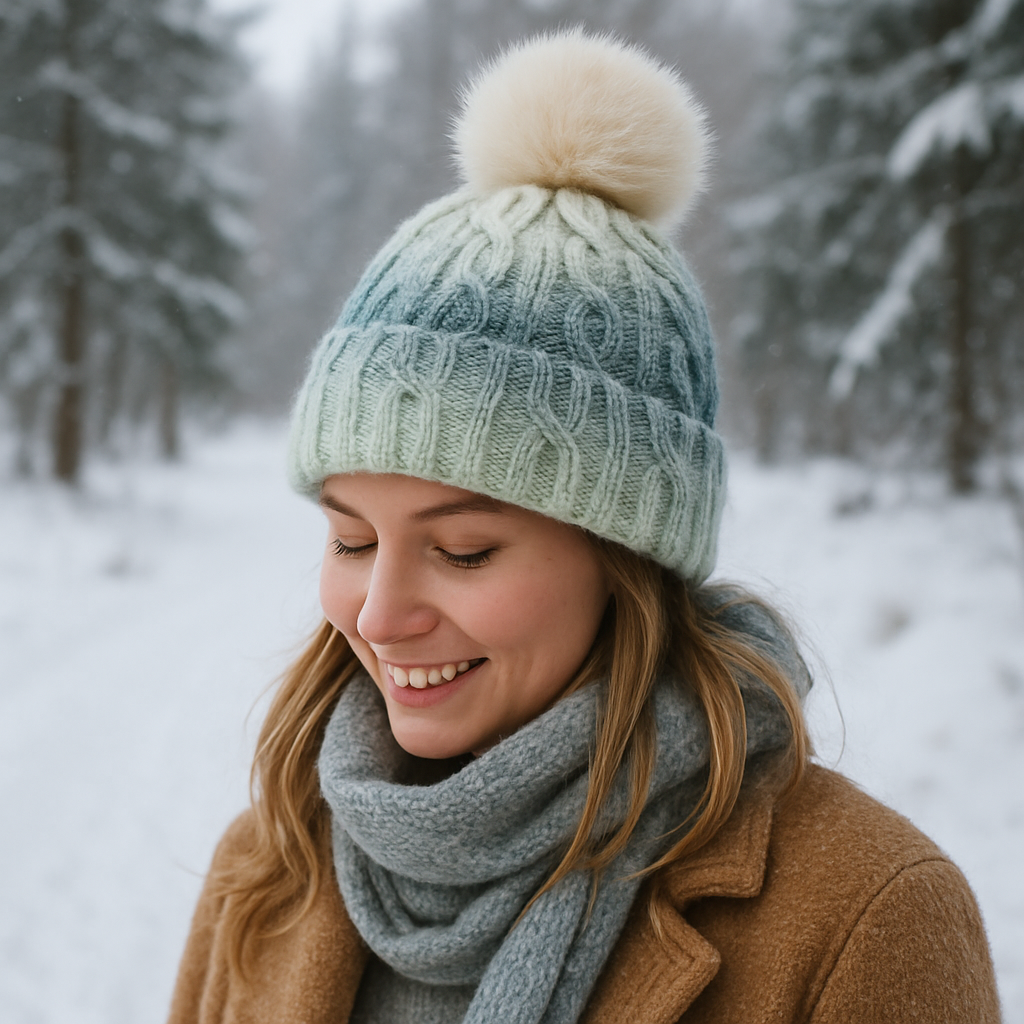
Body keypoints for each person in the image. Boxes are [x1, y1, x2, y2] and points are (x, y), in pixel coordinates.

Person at [167, 30, 1002, 1024]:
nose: (380, 616)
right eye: (352, 540)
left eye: (463, 550)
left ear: (626, 557)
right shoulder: (263, 869)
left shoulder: (869, 915)